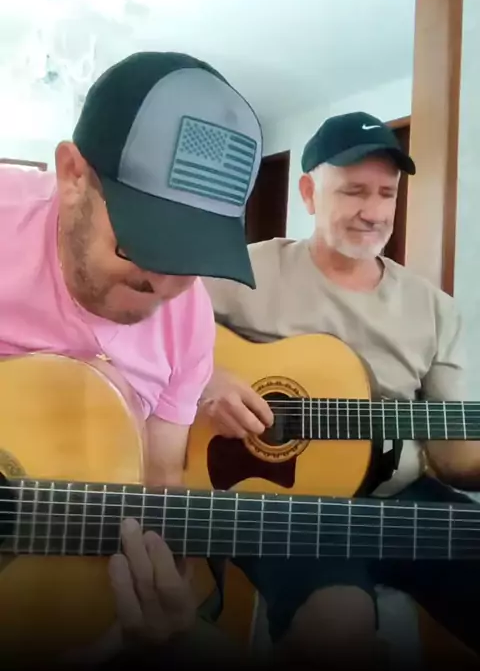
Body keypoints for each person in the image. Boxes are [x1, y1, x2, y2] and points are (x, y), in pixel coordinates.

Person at [0, 50, 263, 666]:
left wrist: (166, 583)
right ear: (73, 175)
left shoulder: (189, 325)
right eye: (142, 243)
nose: (164, 286)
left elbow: (160, 486)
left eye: (190, 257)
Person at [200, 111, 480, 670]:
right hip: (286, 506)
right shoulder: (241, 270)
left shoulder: (435, 309)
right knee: (335, 633)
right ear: (308, 192)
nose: (373, 211)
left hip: (401, 500)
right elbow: (144, 333)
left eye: (386, 194)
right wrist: (204, 375)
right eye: (353, 191)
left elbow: (454, 456)